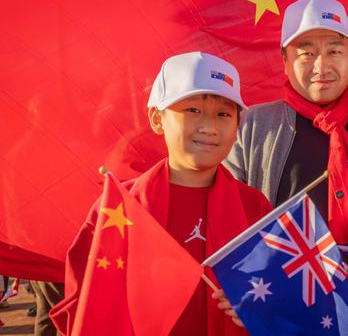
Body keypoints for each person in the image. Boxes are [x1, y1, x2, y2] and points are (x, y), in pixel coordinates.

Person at [50, 52, 272, 335]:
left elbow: (286, 301)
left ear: (237, 125)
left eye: (224, 114)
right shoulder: (121, 210)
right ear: (157, 118)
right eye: (192, 110)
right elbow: (81, 305)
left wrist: (261, 309)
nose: (209, 128)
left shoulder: (256, 209)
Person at [224, 0, 348, 246]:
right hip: (279, 282)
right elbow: (223, 212)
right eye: (307, 54)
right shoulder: (252, 126)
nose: (322, 67)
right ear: (285, 62)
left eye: (334, 51)